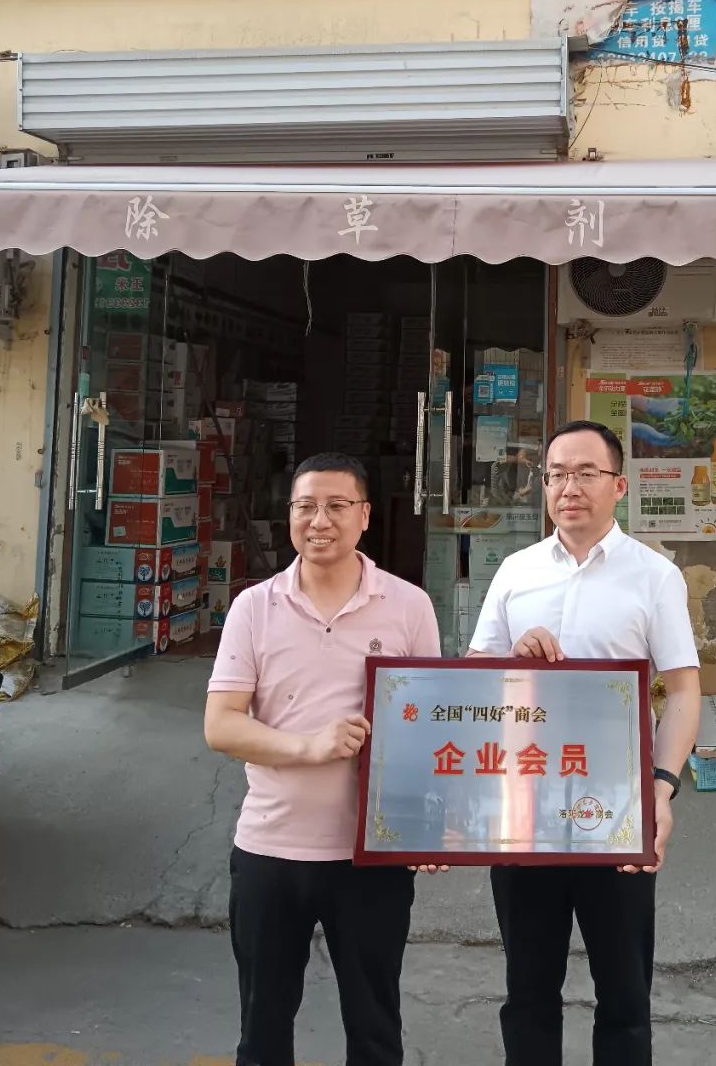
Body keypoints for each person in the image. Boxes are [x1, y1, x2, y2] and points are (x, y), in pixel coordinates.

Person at [468, 420, 703, 1066]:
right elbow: (475, 680)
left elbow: (683, 691)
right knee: (527, 992)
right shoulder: (515, 572)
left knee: (624, 996)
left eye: (585, 473)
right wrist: (512, 659)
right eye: (556, 474)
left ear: (618, 486)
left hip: (615, 811)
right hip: (524, 811)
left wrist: (662, 789)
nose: (569, 487)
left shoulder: (654, 576)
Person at [205, 451, 441, 1066]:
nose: (320, 521)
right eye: (306, 506)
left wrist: (429, 825)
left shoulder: (409, 606)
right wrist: (308, 747)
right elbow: (221, 724)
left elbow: (428, 725)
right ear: (289, 516)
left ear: (365, 516)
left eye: (337, 506)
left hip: (372, 856)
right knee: (262, 1030)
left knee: (374, 1029)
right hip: (270, 849)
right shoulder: (254, 607)